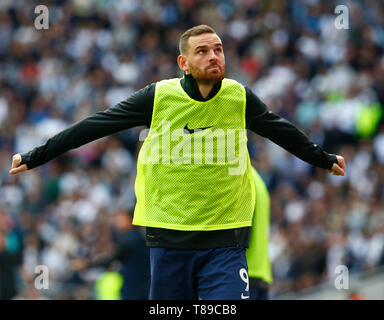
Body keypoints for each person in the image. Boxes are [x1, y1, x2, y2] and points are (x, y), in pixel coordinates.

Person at [10, 25, 346, 300]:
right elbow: (96, 124)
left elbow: (281, 130)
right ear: (183, 62)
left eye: (218, 49)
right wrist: (35, 156)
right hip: (169, 240)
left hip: (224, 241)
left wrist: (324, 159)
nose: (214, 56)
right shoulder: (158, 97)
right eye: (202, 51)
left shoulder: (238, 97)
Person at [246, 167, 272, 300]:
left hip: (243, 275)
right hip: (261, 274)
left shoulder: (243, 179)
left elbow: (243, 231)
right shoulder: (258, 179)